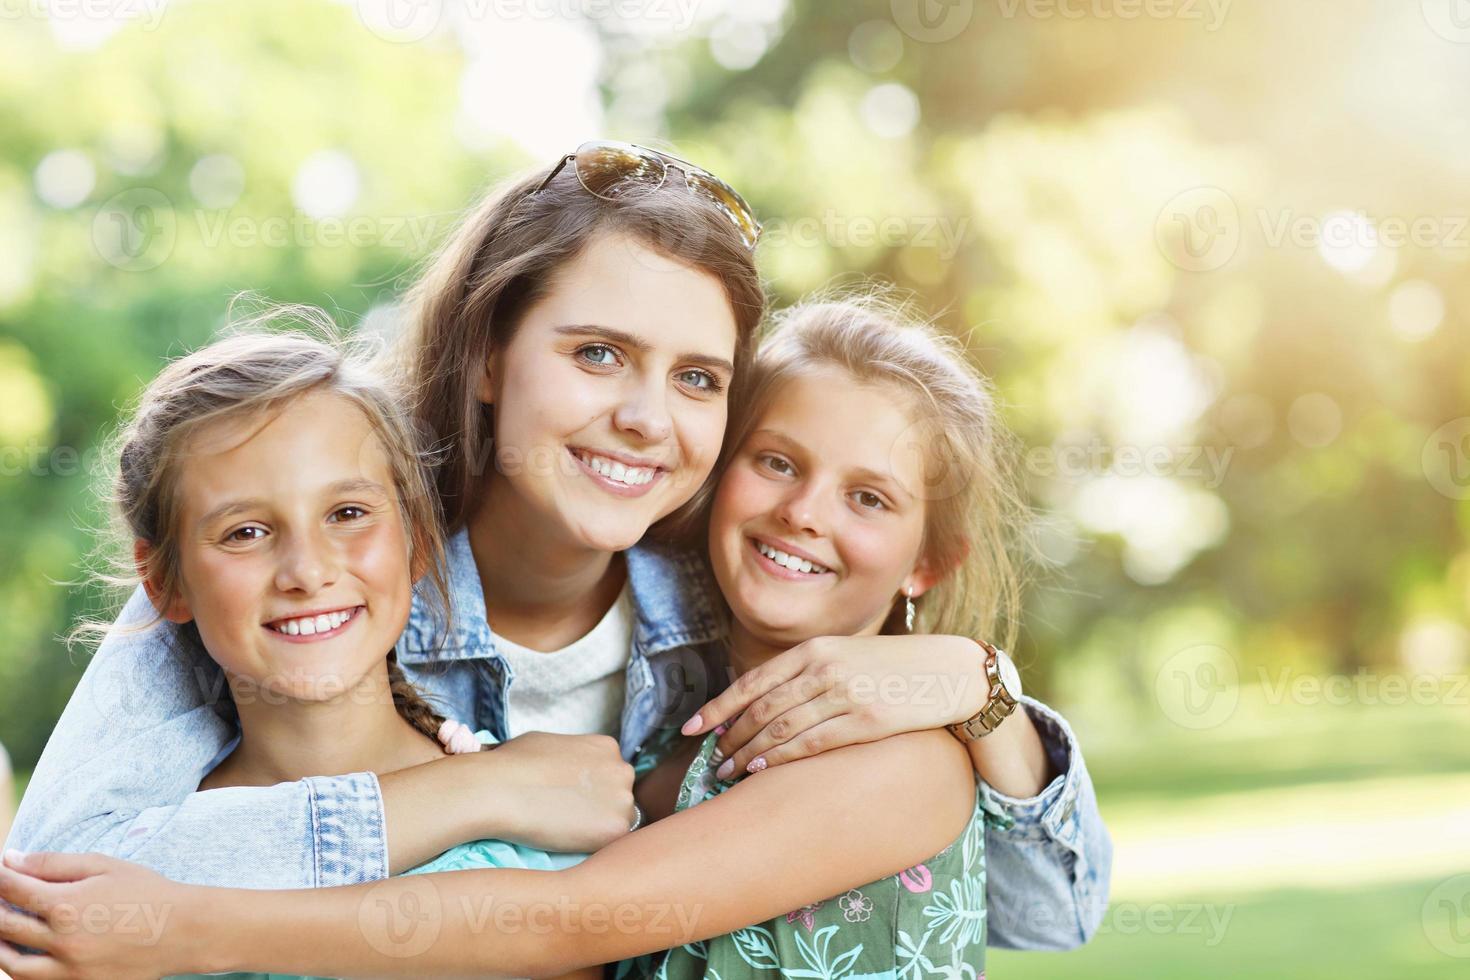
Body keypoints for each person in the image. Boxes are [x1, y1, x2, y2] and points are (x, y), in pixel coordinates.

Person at [6, 142, 1107, 951]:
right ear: (488, 351)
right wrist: (478, 791)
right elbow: (52, 900)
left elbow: (1044, 910)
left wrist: (982, 681)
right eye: (597, 353)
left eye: (696, 378)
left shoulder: (727, 602)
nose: (645, 416)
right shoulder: (315, 559)